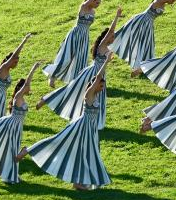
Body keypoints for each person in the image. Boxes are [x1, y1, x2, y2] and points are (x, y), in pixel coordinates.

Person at [27, 57, 114, 190]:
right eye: (101, 86)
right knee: (62, 143)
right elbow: (97, 77)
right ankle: (29, 150)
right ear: (95, 84)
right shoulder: (89, 94)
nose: (102, 88)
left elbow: (99, 79)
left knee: (87, 153)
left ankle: (78, 182)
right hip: (82, 127)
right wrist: (106, 62)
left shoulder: (95, 95)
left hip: (90, 129)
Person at [37, 7, 122, 130]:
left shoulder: (108, 49)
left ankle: (95, 123)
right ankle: (46, 99)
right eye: (112, 36)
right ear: (106, 37)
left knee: (99, 98)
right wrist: (116, 17)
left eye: (114, 37)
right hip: (91, 73)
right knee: (72, 90)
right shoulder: (102, 46)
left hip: (101, 75)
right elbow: (111, 31)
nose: (113, 38)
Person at [43, 0, 109, 88]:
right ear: (92, 1)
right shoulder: (83, 7)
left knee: (81, 59)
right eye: (97, 2)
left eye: (99, 3)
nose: (98, 5)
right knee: (67, 57)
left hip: (84, 36)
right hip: (75, 34)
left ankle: (77, 81)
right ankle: (52, 75)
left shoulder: (93, 12)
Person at [112, 0, 176, 71]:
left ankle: (143, 64)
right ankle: (138, 64)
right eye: (173, 0)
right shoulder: (159, 0)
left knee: (147, 43)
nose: (173, 2)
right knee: (141, 41)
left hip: (148, 23)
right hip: (142, 20)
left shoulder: (163, 4)